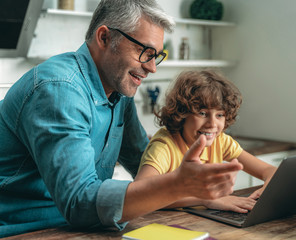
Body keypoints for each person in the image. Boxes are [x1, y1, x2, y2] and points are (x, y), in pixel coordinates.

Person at [0, 0, 243, 237]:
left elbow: (144, 161)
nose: (152, 68)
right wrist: (178, 185)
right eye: (144, 51)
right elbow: (79, 202)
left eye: (156, 55)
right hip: (24, 231)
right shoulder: (58, 90)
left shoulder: (118, 91)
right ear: (104, 37)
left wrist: (203, 195)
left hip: (80, 229)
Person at [136, 70, 277, 213]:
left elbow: (270, 171)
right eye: (202, 113)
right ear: (182, 113)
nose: (212, 123)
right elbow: (139, 195)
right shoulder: (164, 146)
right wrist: (206, 199)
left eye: (220, 115)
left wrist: (269, 187)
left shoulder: (220, 141)